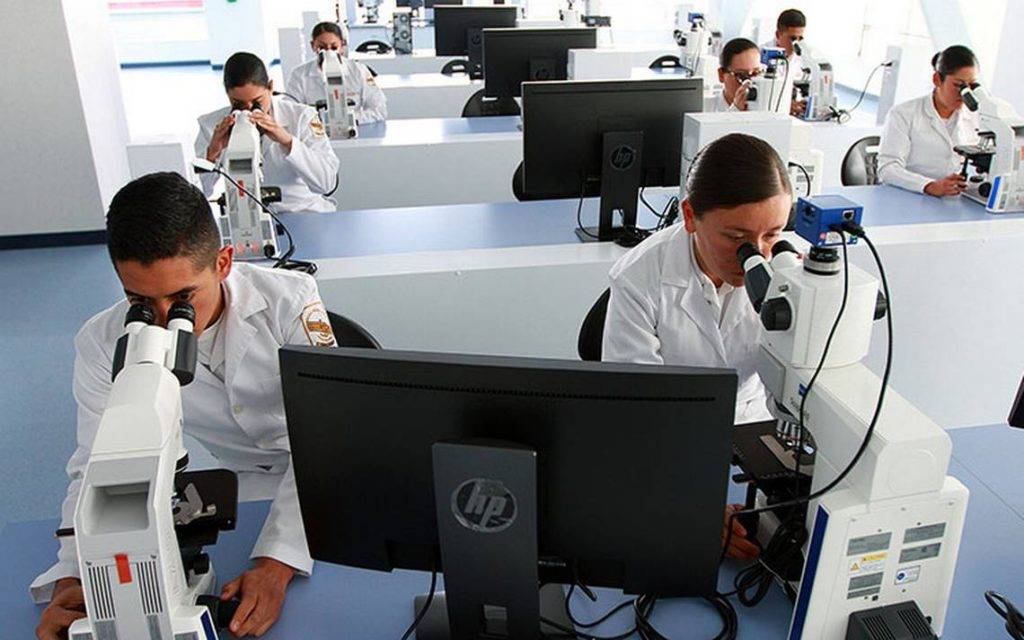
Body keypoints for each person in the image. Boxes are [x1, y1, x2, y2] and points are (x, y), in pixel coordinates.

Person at [33, 172, 338, 640]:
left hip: (328, 472)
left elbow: (327, 440)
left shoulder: (289, 302)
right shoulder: (101, 342)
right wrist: (76, 577)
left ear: (223, 262)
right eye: (139, 300)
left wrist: (276, 563)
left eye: (182, 298)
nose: (162, 320)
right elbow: (94, 465)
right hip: (242, 482)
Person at [602, 133, 793, 559]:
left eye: (773, 234)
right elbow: (637, 414)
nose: (757, 255)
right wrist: (692, 506)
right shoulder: (639, 278)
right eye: (736, 237)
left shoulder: (789, 274)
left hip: (752, 428)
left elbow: (799, 387)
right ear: (690, 216)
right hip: (669, 442)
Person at [196, 52, 341, 213]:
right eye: (238, 104)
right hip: (246, 215)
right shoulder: (211, 125)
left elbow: (327, 183)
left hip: (302, 211)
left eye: (257, 102)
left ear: (270, 87)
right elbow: (198, 194)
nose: (249, 110)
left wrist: (288, 141)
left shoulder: (302, 117)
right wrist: (212, 154)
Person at [877, 45, 981, 197]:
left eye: (972, 86)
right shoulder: (903, 114)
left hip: (952, 198)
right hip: (908, 196)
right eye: (959, 85)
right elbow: (887, 169)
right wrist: (929, 186)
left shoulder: (975, 117)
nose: (965, 93)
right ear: (937, 79)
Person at [286, 21, 388, 124]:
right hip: (316, 130)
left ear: (342, 45)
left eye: (334, 47)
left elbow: (379, 110)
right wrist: (317, 121)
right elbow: (291, 112)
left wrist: (350, 119)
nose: (328, 51)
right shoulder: (299, 75)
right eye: (322, 48)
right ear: (313, 46)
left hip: (355, 127)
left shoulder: (359, 71)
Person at [761, 8, 805, 116]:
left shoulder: (804, 59)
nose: (796, 44)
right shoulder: (760, 56)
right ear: (778, 35)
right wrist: (786, 105)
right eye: (792, 39)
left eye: (800, 39)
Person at [706, 38, 761, 112]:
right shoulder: (703, 109)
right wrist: (735, 109)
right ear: (721, 75)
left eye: (756, 73)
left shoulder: (767, 108)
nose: (750, 83)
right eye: (742, 75)